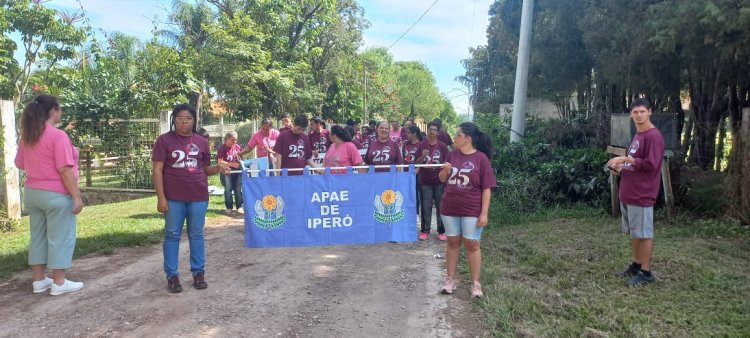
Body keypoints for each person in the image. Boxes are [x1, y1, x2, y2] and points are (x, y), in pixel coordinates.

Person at [152, 103, 231, 293]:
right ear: (174, 120)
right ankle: (172, 275)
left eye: (188, 118)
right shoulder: (164, 141)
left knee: (197, 235)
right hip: (173, 197)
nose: (184, 122)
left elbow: (204, 169)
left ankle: (198, 273)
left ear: (194, 120)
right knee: (172, 235)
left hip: (198, 196)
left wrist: (219, 168)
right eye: (179, 118)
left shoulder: (201, 141)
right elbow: (157, 170)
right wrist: (161, 198)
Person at [14, 94, 85, 296]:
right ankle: (59, 282)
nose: (60, 113)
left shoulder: (29, 135)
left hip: (32, 193)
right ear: (52, 111)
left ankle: (39, 280)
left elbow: (19, 163)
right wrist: (77, 196)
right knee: (59, 237)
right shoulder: (58, 135)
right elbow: (64, 169)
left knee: (38, 237)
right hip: (55, 194)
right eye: (59, 109)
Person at [607, 98, 664, 287]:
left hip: (642, 193)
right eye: (635, 112)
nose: (639, 115)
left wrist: (624, 158)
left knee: (644, 234)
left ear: (650, 112)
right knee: (635, 232)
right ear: (631, 114)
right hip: (629, 192)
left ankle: (646, 273)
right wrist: (620, 167)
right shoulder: (638, 135)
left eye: (642, 111)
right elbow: (635, 163)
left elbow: (651, 164)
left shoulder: (653, 136)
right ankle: (636, 264)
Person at [439, 122, 496, 298]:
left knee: (472, 244)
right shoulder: (452, 154)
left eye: (457, 135)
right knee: (453, 243)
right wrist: (445, 171)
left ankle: (475, 284)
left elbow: (487, 188)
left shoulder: (481, 159)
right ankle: (450, 280)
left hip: (472, 209)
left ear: (467, 139)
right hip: (449, 207)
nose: (454, 137)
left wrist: (484, 213)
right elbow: (442, 180)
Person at [416, 122, 450, 241]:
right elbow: (416, 163)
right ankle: (425, 230)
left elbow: (447, 163)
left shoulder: (442, 146)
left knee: (441, 206)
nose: (432, 131)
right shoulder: (421, 145)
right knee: (425, 206)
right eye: (430, 129)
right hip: (425, 180)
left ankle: (442, 231)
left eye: (434, 129)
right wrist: (422, 156)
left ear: (438, 132)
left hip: (439, 181)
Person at [217, 131, 243, 215]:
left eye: (236, 140)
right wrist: (230, 165)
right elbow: (220, 162)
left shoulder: (237, 147)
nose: (235, 142)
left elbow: (241, 159)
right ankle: (229, 207)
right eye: (233, 140)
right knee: (228, 189)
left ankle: (240, 207)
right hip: (227, 171)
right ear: (227, 139)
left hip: (238, 171)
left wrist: (240, 162)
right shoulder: (222, 148)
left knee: (238, 189)